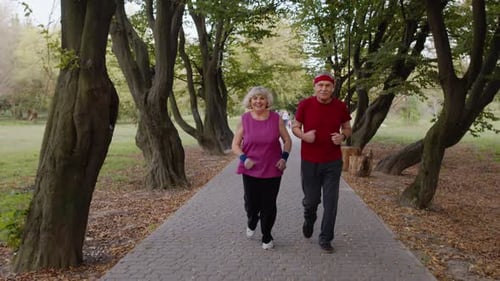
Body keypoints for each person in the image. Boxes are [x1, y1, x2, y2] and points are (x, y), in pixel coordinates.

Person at [291, 71, 352, 253]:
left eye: (328, 85)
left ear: (332, 88)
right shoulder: (305, 104)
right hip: (310, 161)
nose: (324, 89)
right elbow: (295, 126)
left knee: (331, 202)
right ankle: (309, 218)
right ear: (315, 86)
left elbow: (347, 128)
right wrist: (303, 135)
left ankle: (326, 238)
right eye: (321, 85)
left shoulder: (340, 106)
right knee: (311, 201)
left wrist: (342, 136)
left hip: (332, 162)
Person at [231, 86, 292, 250]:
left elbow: (287, 140)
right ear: (250, 101)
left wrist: (284, 158)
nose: (258, 101)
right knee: (252, 205)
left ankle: (267, 235)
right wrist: (244, 158)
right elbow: (235, 145)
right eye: (255, 98)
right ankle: (252, 221)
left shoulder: (276, 118)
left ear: (267, 101)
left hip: (273, 168)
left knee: (269, 204)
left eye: (262, 98)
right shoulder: (244, 119)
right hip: (251, 168)